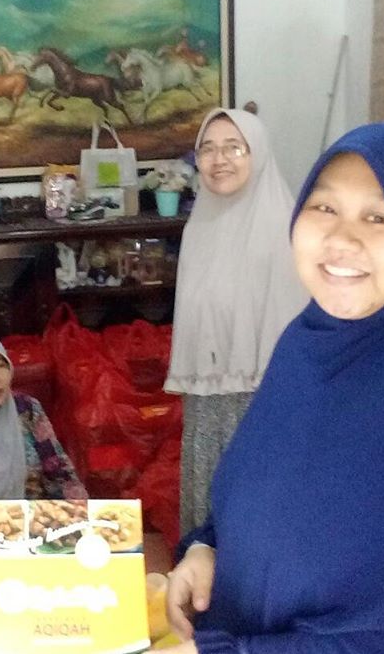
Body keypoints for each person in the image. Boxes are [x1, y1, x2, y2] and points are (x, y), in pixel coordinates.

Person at [162, 123, 384, 653]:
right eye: (324, 207)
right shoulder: (308, 346)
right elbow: (260, 494)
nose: (341, 239)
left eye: (379, 217)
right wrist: (206, 550)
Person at [165, 108, 307, 533]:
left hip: (266, 400)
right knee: (209, 511)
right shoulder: (199, 227)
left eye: (233, 148)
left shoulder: (286, 229)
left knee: (259, 516)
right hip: (208, 397)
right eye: (207, 149)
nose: (219, 159)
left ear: (257, 153)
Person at [0, 333, 87, 500]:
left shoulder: (27, 409)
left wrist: (81, 508)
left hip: (37, 513)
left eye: (0, 366)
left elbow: (57, 468)